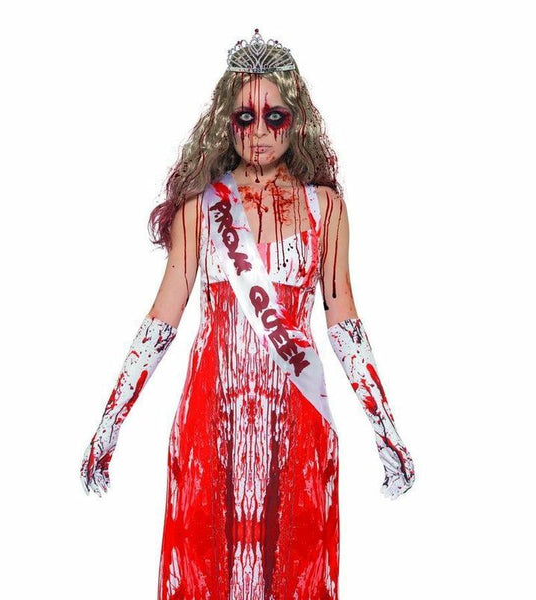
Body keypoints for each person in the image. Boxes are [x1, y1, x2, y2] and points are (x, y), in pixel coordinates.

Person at [80, 28, 415, 599]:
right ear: (225, 121)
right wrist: (112, 418)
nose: (259, 132)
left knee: (294, 567)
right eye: (244, 117)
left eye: (274, 117)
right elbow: (161, 321)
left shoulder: (327, 209)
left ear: (296, 119)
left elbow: (344, 325)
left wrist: (385, 429)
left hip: (297, 415)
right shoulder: (201, 208)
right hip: (213, 415)